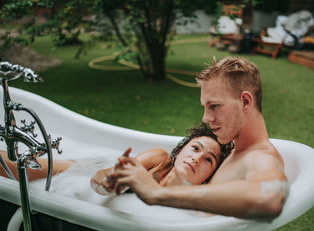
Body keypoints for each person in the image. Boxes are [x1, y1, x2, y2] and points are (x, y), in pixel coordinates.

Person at [93, 56, 289, 219]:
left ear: (245, 101)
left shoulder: (260, 157)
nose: (206, 118)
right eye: (205, 107)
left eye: (214, 106)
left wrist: (157, 193)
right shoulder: (235, 153)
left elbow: (270, 197)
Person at [0, 123, 233, 189]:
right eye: (196, 148)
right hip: (84, 171)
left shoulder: (193, 201)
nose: (197, 159)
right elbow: (107, 174)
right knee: (7, 165)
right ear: (180, 151)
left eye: (209, 160)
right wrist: (109, 181)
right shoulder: (159, 159)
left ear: (210, 175)